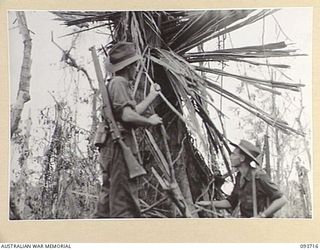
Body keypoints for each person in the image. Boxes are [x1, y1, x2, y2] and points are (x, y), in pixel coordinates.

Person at [94, 41, 162, 218]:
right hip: (119, 147)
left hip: (113, 147)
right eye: (136, 65)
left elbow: (128, 111)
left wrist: (151, 97)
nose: (137, 69)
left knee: (108, 203)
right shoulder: (119, 82)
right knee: (124, 205)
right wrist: (150, 122)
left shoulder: (115, 83)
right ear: (130, 66)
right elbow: (127, 116)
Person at [197, 140, 287, 218]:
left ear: (242, 158)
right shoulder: (240, 177)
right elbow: (231, 202)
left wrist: (262, 216)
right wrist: (209, 203)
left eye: (233, 154)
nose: (230, 156)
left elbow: (282, 200)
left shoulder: (259, 176)